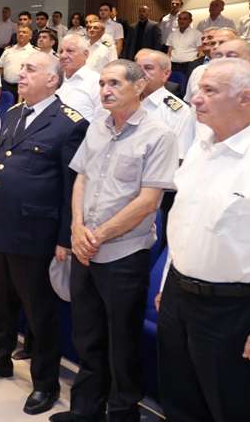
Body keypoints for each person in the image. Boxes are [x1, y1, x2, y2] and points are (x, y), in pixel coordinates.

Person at [52, 60, 178, 422]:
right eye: (102, 83)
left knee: (122, 343)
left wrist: (99, 235)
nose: (105, 90)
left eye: (114, 84)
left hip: (123, 254)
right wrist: (78, 227)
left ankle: (122, 414)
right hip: (85, 247)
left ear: (138, 87)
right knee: (87, 336)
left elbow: (149, 201)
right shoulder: (97, 126)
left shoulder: (159, 135)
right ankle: (85, 410)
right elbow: (81, 179)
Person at [0, 52, 88, 416]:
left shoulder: (69, 123)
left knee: (39, 313)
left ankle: (45, 384)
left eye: (31, 69)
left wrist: (64, 238)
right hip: (3, 225)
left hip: (37, 233)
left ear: (53, 79)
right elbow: (2, 165)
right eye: (22, 68)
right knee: (0, 302)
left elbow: (71, 188)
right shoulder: (14, 113)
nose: (21, 74)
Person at [155, 58, 250, 422]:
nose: (195, 98)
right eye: (198, 88)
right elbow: (183, 221)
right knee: (180, 401)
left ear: (245, 98)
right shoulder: (201, 147)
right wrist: (169, 282)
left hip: (234, 309)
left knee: (232, 407)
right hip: (179, 297)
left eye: (210, 91)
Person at [0, 24, 37, 97]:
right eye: (19, 32)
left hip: (24, 87)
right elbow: (0, 68)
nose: (21, 34)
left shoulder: (35, 52)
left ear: (30, 36)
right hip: (5, 86)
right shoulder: (8, 50)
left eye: (24, 32)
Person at [166, 10, 203, 77]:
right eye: (180, 19)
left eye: (185, 19)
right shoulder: (172, 34)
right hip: (173, 65)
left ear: (190, 21)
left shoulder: (197, 34)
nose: (181, 21)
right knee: (173, 83)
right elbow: (169, 52)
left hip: (189, 66)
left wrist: (196, 66)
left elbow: (201, 52)